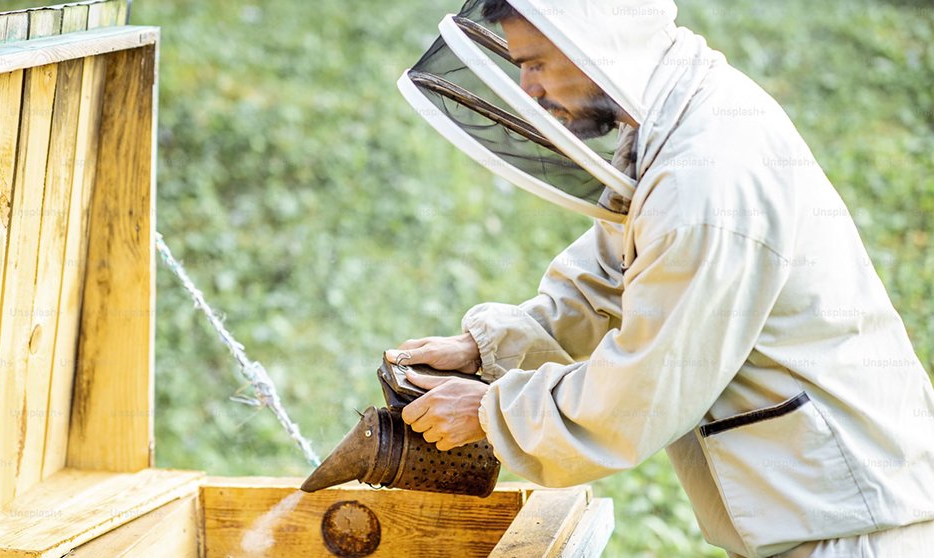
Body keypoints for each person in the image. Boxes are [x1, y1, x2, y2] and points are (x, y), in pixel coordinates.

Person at [387, 1, 934, 556]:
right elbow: (614, 272)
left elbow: (643, 385)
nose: (527, 89)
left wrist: (489, 411)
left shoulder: (706, 181)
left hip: (853, 526)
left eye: (537, 64)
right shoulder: (672, 113)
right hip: (826, 508)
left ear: (596, 46)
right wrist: (488, 347)